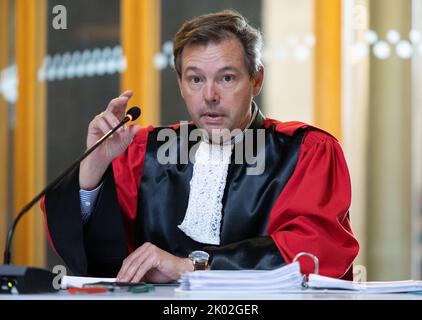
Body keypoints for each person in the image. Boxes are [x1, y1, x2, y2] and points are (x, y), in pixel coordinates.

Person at [41, 10, 359, 283]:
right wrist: (95, 165)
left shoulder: (306, 152)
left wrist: (192, 267)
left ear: (256, 80)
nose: (209, 95)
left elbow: (314, 254)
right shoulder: (144, 153)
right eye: (195, 79)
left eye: (226, 78)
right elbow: (99, 255)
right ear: (180, 84)